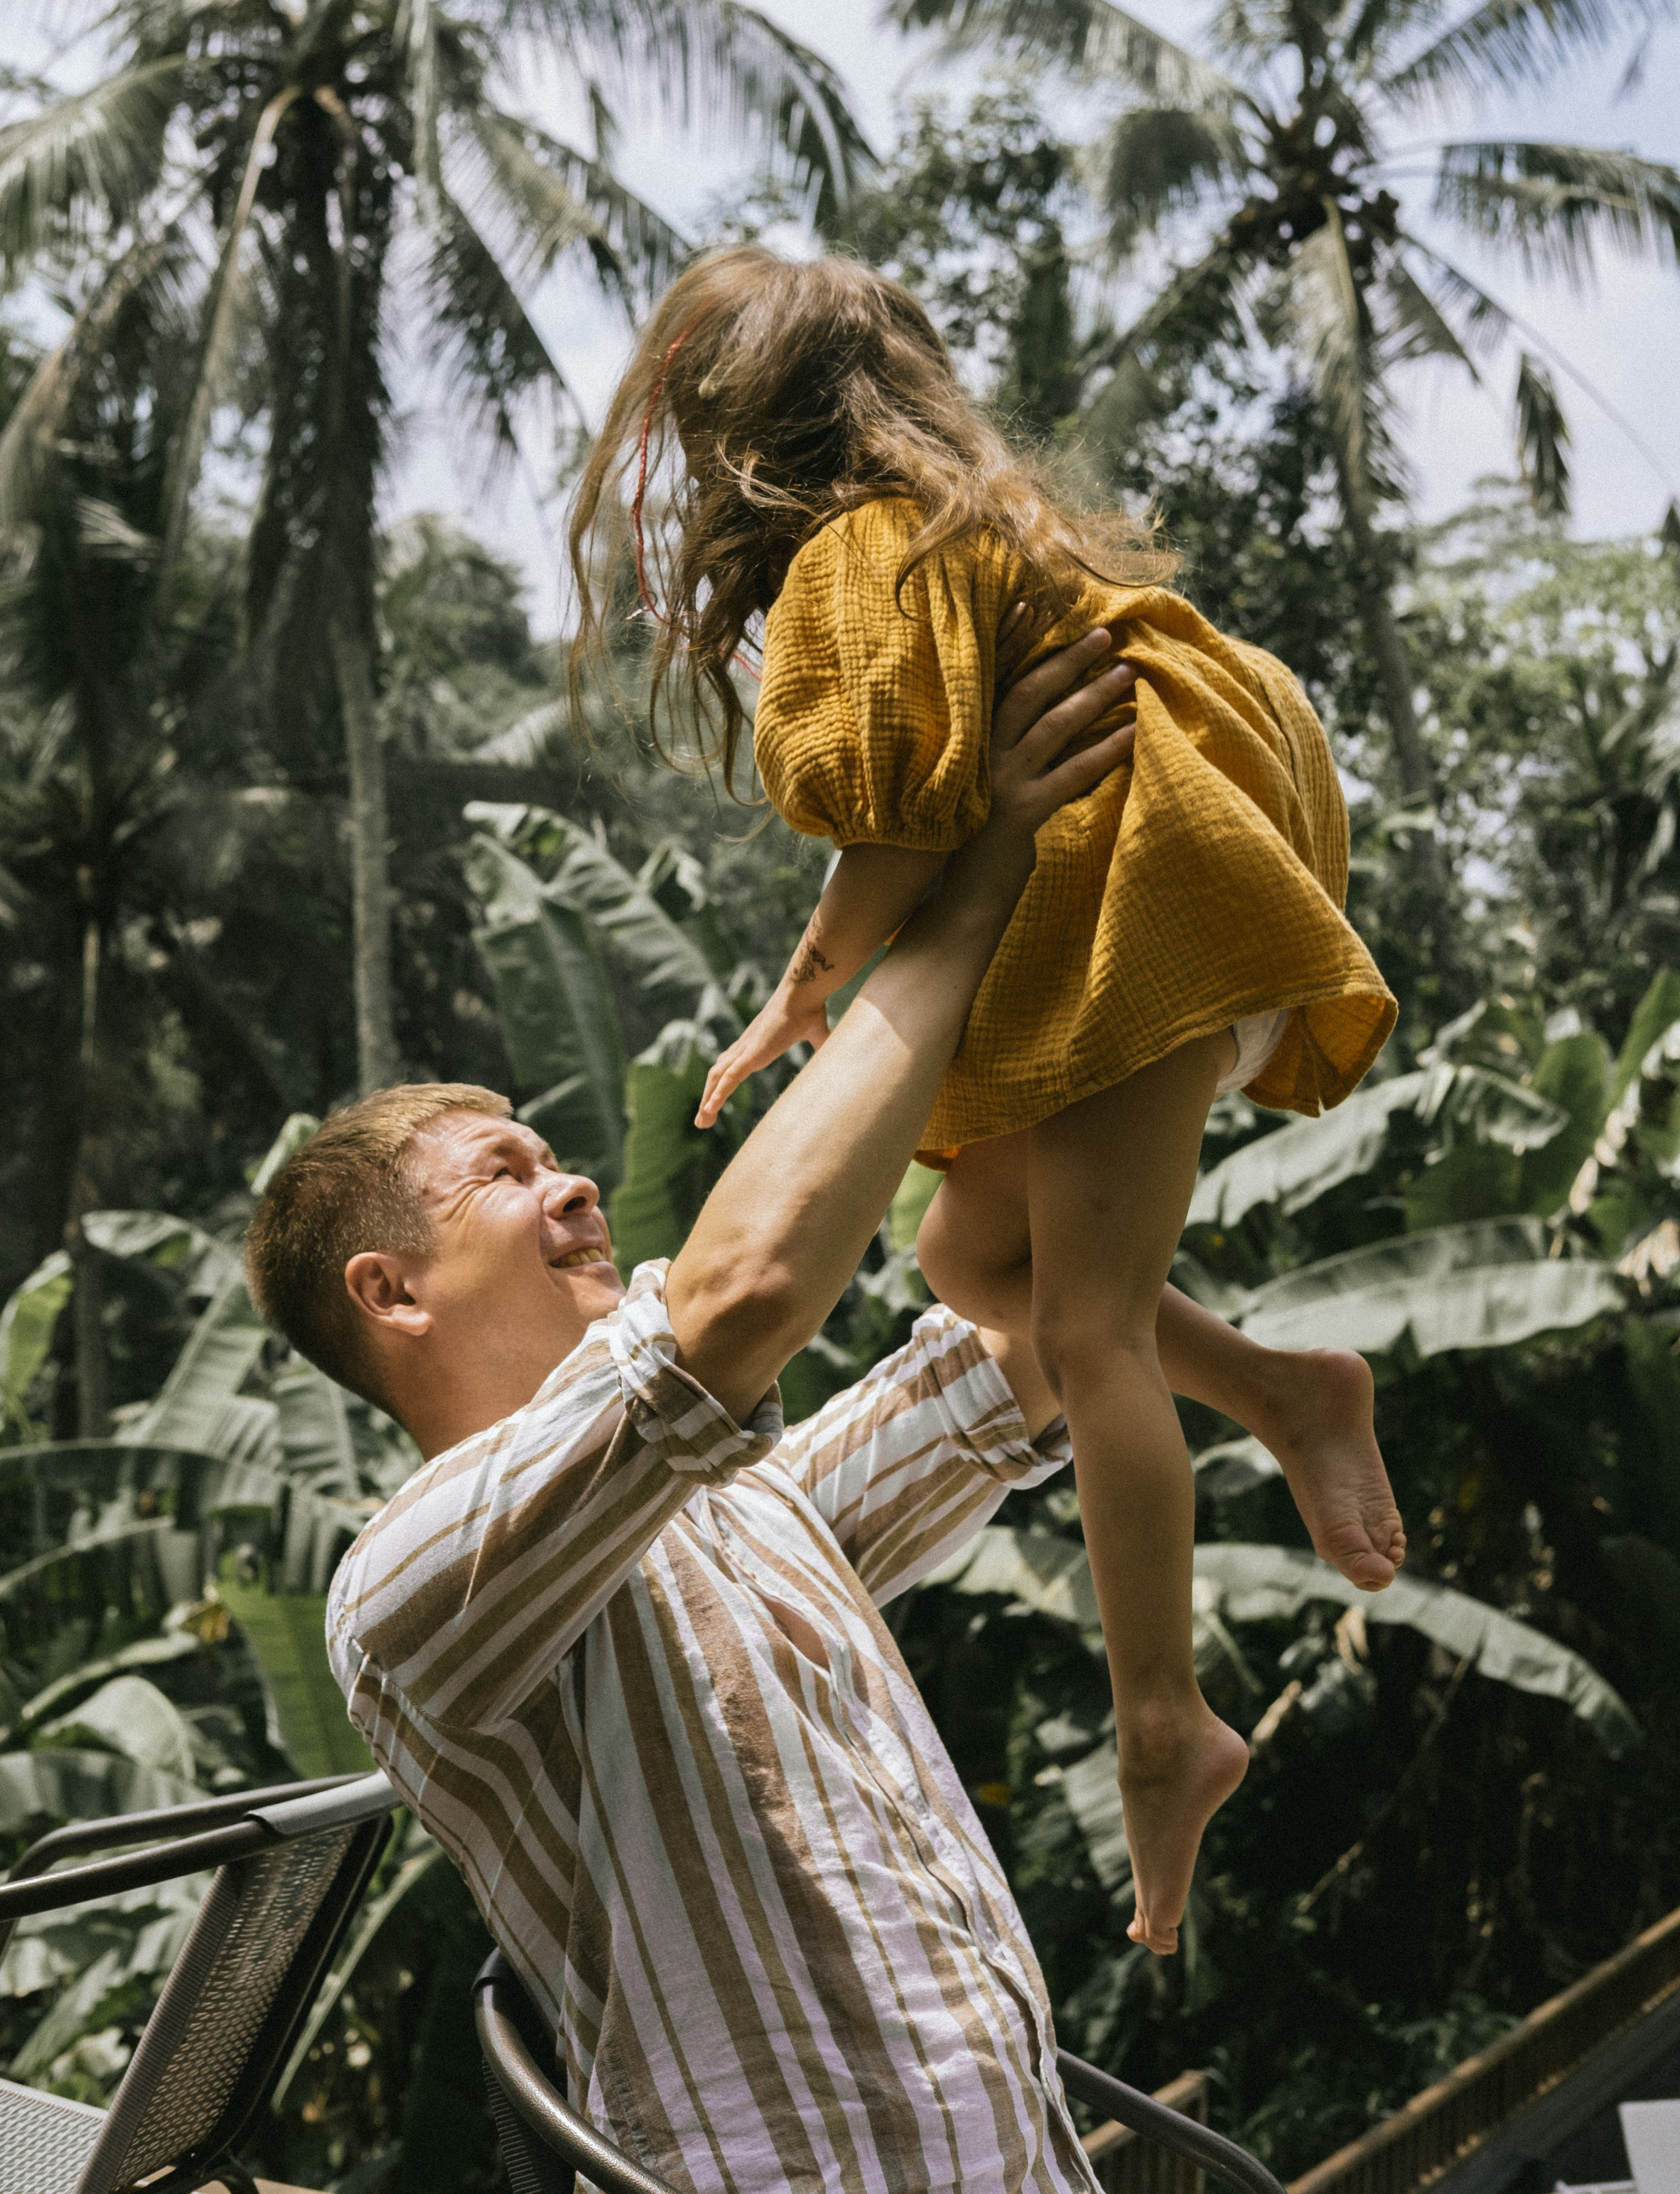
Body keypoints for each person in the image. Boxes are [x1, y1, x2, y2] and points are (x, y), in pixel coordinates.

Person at [246, 647, 1379, 2194]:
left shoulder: (749, 1514)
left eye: (553, 1154)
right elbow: (732, 1307)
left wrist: (1120, 891)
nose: (574, 1182)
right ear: (389, 1294)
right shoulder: (401, 1599)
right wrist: (968, 892)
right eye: (503, 1175)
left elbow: (1019, 1334)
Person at [567, 243, 1405, 1956]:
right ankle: (1284, 1388)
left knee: (1087, 1331)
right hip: (1183, 905)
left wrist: (806, 983)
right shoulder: (995, 526)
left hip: (1142, 916)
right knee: (968, 1261)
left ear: (745, 441)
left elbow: (904, 819)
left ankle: (1161, 1720)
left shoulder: (872, 552)